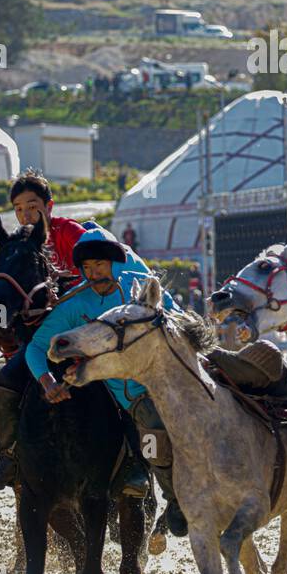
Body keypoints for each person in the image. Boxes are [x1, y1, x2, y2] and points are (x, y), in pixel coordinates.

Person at [23, 226, 187, 532]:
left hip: (164, 374)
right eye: (86, 267)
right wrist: (47, 382)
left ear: (114, 263)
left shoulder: (138, 287)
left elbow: (173, 313)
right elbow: (36, 348)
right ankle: (171, 497)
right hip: (125, 393)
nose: (93, 273)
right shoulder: (74, 305)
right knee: (151, 428)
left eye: (99, 265)